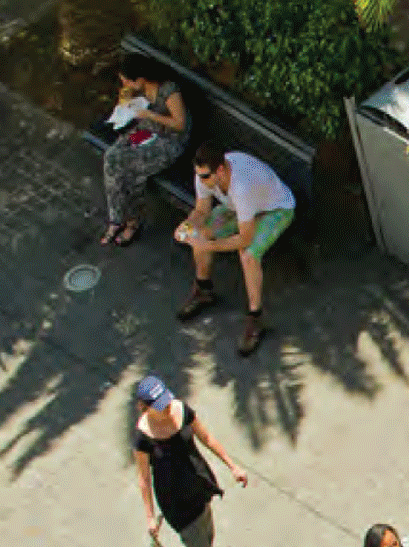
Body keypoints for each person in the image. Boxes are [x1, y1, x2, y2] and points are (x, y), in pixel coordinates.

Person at [131, 375, 250, 547]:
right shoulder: (143, 438)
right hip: (176, 501)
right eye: (158, 405)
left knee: (206, 540)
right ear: (144, 406)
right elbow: (143, 479)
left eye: (165, 401)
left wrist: (232, 466)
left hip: (198, 485)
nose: (165, 407)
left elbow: (207, 438)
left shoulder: (182, 411)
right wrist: (150, 517)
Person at [176, 145, 296, 357]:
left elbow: (245, 239)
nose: (200, 180)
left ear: (220, 171)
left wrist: (209, 246)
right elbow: (202, 210)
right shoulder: (204, 174)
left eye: (204, 176)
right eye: (198, 175)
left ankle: (256, 318)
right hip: (240, 209)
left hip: (275, 210)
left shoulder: (242, 186)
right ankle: (203, 290)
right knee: (200, 234)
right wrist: (187, 226)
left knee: (248, 254)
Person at [98, 55, 189, 247]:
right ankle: (118, 217)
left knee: (128, 169)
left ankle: (129, 221)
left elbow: (180, 124)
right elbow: (137, 113)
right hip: (146, 132)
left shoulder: (168, 91)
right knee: (112, 157)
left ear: (140, 79)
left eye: (127, 82)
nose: (125, 85)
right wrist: (127, 105)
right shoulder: (139, 90)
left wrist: (150, 114)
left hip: (168, 141)